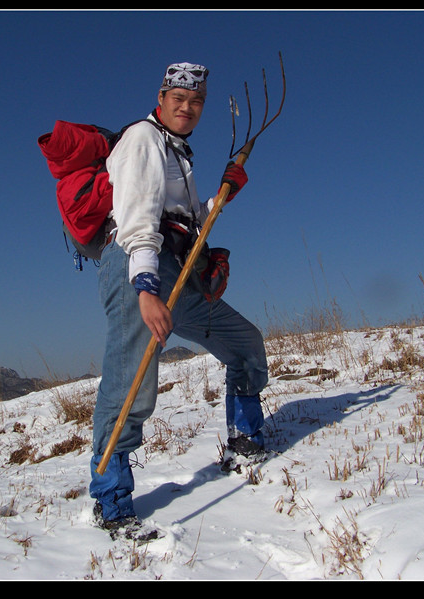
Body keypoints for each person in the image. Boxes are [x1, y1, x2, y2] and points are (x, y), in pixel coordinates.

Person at [89, 62, 269, 534]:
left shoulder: (177, 153)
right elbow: (136, 222)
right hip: (136, 264)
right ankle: (111, 500)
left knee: (244, 341)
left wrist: (222, 196)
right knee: (133, 379)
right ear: (162, 97)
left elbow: (185, 222)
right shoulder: (143, 141)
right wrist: (146, 289)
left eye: (196, 102)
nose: (187, 108)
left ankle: (245, 437)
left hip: (179, 270)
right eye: (179, 99)